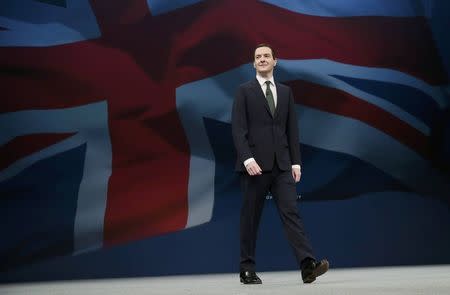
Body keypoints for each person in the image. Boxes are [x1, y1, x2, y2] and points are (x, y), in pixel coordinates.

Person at [231, 44, 329, 284]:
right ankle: (246, 269)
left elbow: (291, 130)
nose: (262, 59)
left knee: (291, 214)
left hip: (283, 165)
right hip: (254, 166)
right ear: (253, 64)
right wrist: (247, 158)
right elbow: (238, 129)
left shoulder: (285, 92)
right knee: (251, 218)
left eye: (266, 56)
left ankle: (308, 266)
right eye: (257, 57)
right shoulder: (243, 91)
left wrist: (296, 162)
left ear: (276, 61)